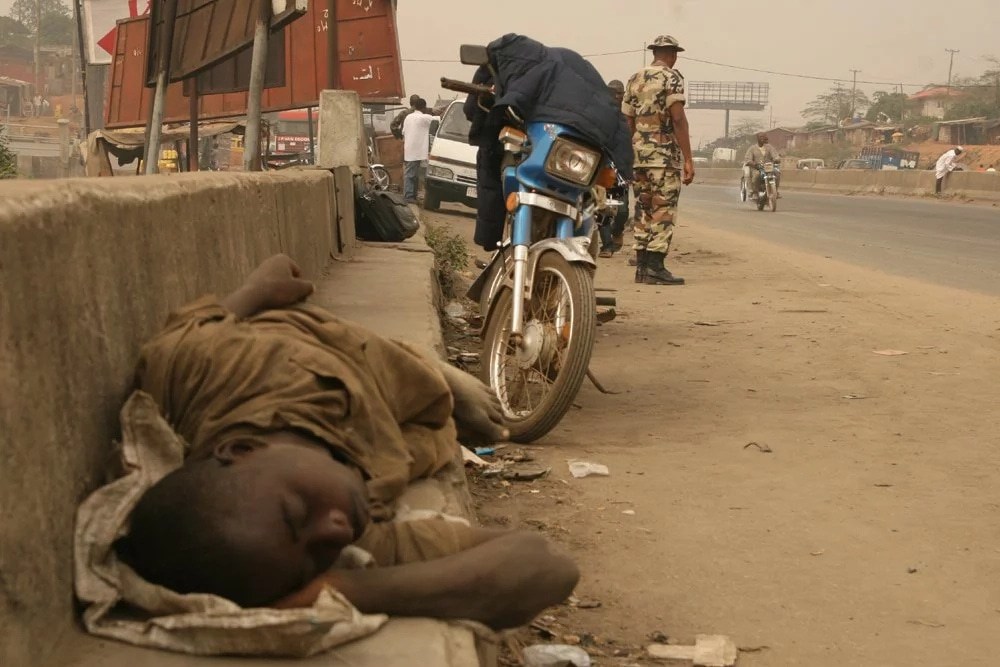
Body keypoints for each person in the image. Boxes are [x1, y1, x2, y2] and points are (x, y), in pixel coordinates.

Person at [115, 254, 579, 629]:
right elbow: (545, 565)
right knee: (443, 422)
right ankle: (435, 382)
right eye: (315, 560)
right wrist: (342, 590)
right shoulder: (363, 531)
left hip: (314, 333)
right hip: (398, 405)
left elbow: (179, 334)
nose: (336, 531)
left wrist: (258, 289)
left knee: (380, 356)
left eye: (296, 513)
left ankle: (437, 371)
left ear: (239, 451)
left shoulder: (204, 376)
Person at [622, 35, 694, 286]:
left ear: (655, 53)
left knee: (642, 209)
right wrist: (688, 159)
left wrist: (627, 154)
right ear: (673, 55)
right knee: (663, 209)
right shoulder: (672, 78)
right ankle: (656, 267)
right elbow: (678, 119)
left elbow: (627, 122)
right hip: (662, 157)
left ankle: (641, 268)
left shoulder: (634, 78)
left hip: (638, 157)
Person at [598, 79, 631, 258]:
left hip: (621, 170)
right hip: (602, 167)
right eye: (613, 93)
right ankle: (607, 246)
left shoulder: (627, 117)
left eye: (620, 93)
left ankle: (617, 232)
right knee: (602, 208)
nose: (617, 96)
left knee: (623, 212)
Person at [401, 98, 436, 203]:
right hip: (417, 150)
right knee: (411, 174)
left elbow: (403, 132)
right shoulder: (424, 118)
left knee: (412, 174)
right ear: (424, 108)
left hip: (409, 149)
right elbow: (438, 119)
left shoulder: (408, 117)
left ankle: (412, 196)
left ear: (414, 107)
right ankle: (408, 196)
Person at [743, 133, 781, 198]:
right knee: (756, 175)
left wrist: (776, 159)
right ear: (757, 138)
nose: (762, 138)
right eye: (761, 137)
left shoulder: (769, 147)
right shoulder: (752, 148)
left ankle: (776, 191)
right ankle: (755, 192)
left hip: (768, 167)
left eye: (763, 137)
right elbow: (747, 159)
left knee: (777, 173)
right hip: (756, 168)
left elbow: (775, 155)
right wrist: (754, 164)